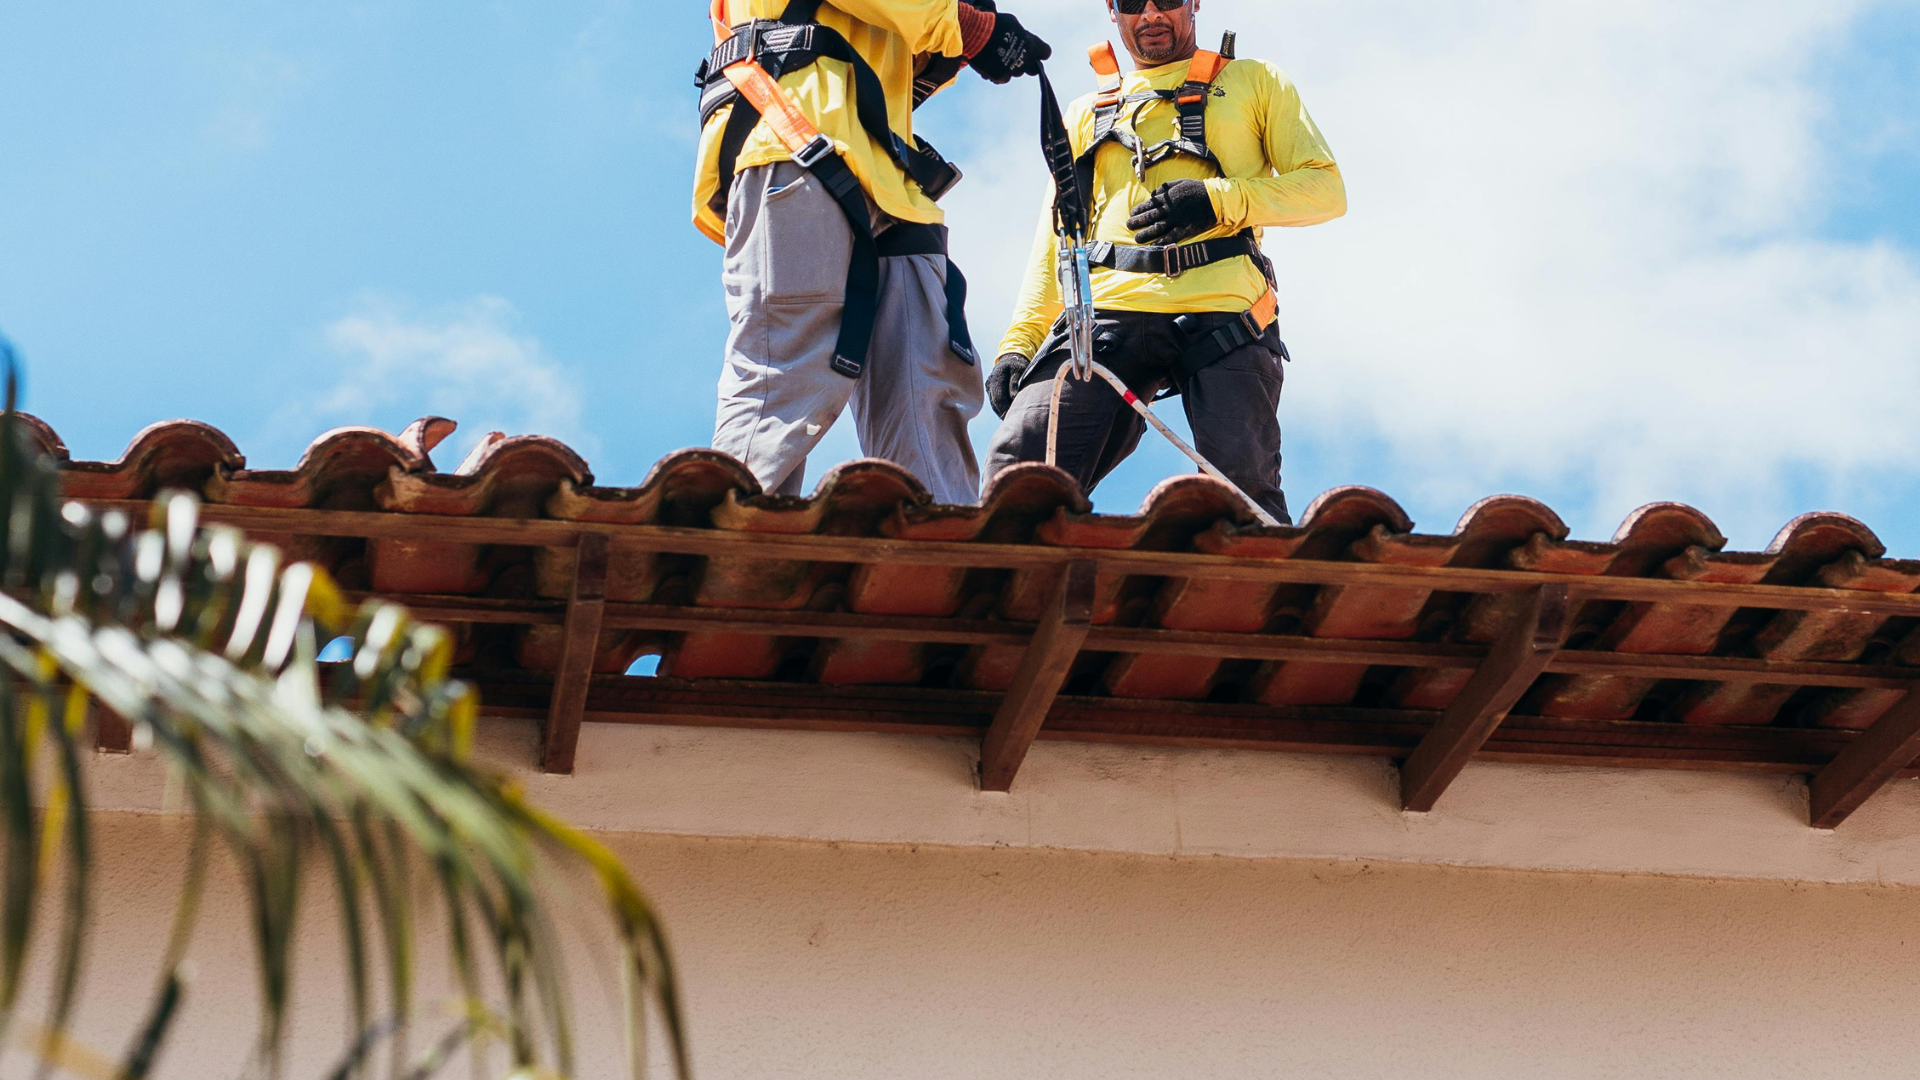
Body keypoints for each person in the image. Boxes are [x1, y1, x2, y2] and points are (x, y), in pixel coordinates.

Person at [980, 0, 1344, 523]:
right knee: (1019, 469)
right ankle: (1015, 595)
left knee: (1241, 501)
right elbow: (1057, 240)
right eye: (1132, 3)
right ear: (1112, 11)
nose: (1150, 13)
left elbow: (1325, 189)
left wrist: (1216, 200)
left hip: (1226, 318)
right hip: (1103, 317)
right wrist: (1020, 344)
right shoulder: (1086, 113)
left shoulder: (1255, 82)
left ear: (1194, 3)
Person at [694, 0, 1051, 503]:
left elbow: (895, 52)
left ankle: (936, 554)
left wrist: (959, 36)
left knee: (926, 389)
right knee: (783, 377)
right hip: (795, 137)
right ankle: (724, 546)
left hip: (884, 175)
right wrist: (969, 27)